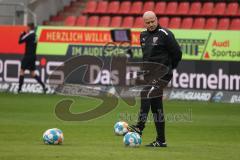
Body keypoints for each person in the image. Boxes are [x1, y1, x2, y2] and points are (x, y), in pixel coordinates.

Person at [127, 11, 182, 147]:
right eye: (148, 22)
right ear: (144, 22)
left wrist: (170, 68)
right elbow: (147, 56)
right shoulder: (143, 35)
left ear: (157, 20)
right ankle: (161, 140)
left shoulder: (165, 34)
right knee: (156, 107)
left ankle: (139, 127)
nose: (151, 24)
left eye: (153, 21)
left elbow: (177, 53)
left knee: (145, 93)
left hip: (163, 72)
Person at [18, 23, 47, 93]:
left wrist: (22, 34)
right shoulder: (36, 36)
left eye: (27, 27)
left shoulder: (29, 35)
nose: (26, 29)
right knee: (33, 73)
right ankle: (44, 86)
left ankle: (19, 89)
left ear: (29, 28)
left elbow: (20, 41)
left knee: (22, 71)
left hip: (28, 56)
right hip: (33, 56)